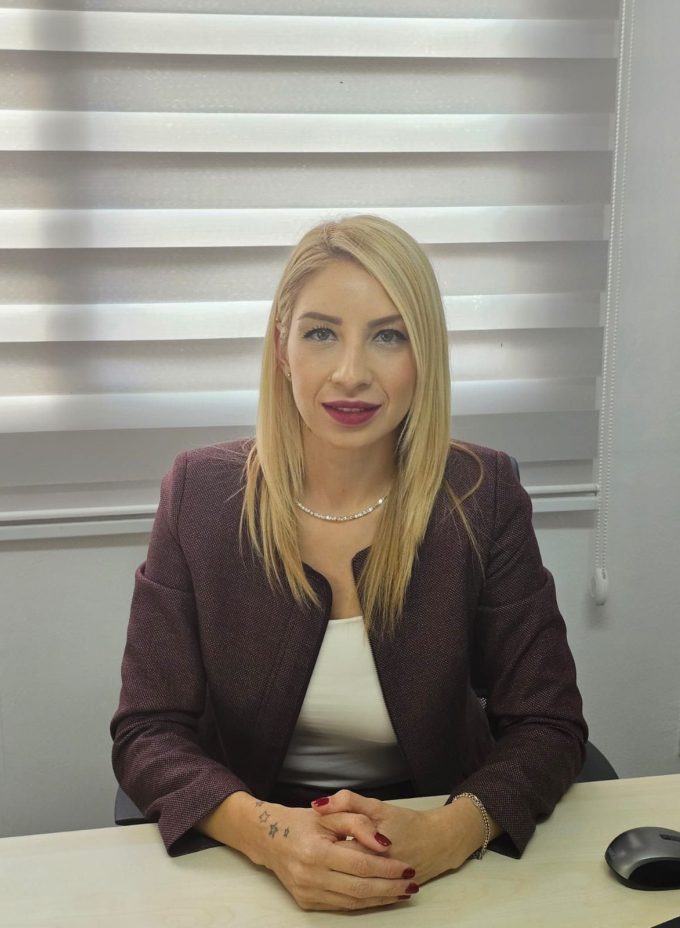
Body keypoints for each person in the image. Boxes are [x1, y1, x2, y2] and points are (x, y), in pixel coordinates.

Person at [111, 214, 587, 912]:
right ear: (282, 347)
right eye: (321, 333)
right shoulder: (200, 494)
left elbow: (548, 722)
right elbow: (147, 730)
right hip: (251, 851)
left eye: (389, 336)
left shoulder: (481, 496)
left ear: (425, 355)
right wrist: (273, 837)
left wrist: (447, 835)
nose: (352, 374)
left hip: (434, 840)